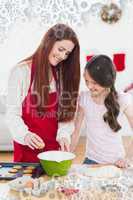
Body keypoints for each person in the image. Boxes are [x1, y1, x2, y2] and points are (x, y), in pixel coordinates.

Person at [6, 23, 80, 162]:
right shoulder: (21, 72)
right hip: (27, 152)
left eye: (67, 53)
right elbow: (12, 114)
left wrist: (64, 136)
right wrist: (25, 135)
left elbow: (66, 115)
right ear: (48, 42)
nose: (62, 56)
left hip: (54, 154)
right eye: (60, 49)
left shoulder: (62, 76)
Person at [70, 55, 133, 168]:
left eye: (94, 83)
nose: (89, 86)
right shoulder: (84, 98)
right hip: (90, 160)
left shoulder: (123, 99)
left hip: (117, 162)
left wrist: (127, 158)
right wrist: (67, 155)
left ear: (107, 81)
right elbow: (76, 130)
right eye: (87, 81)